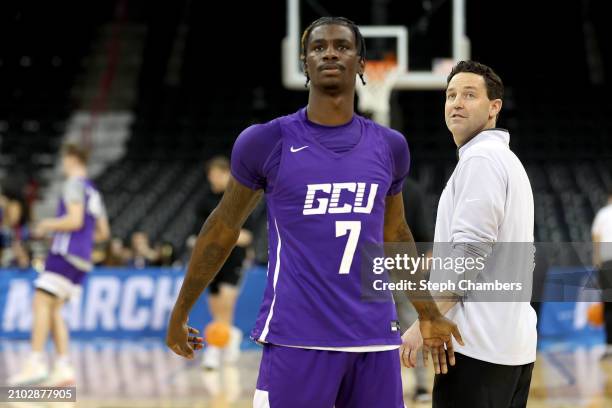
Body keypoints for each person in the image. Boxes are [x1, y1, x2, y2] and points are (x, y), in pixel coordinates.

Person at [166, 16, 462, 407]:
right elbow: (223, 226)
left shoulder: (390, 147)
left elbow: (396, 235)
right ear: (304, 62)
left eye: (342, 46)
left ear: (361, 63)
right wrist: (182, 309)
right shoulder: (266, 141)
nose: (330, 54)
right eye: (318, 47)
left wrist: (427, 312)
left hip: (374, 341)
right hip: (296, 339)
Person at [400, 61, 537, 408]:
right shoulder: (505, 160)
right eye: (451, 95)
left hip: (477, 349)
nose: (457, 103)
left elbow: (468, 256)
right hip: (510, 348)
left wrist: (424, 320)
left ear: (494, 107)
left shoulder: (482, 161)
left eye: (469, 95)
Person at [8, 144, 110, 386]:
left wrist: (47, 225)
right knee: (54, 310)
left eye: (65, 159)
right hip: (83, 259)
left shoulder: (73, 184)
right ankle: (64, 367)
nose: (63, 165)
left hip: (65, 255)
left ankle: (35, 362)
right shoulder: (93, 191)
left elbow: (74, 221)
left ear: (73, 158)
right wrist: (80, 240)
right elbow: (103, 232)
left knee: (40, 301)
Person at [196, 156, 253, 369]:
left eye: (221, 173)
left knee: (226, 304)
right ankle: (231, 335)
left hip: (234, 258)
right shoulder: (204, 201)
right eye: (213, 173)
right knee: (215, 304)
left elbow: (246, 236)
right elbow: (201, 232)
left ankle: (214, 349)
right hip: (211, 259)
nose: (217, 178)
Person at [398, 177, 433, 402]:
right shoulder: (412, 188)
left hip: (399, 268)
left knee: (413, 328)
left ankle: (421, 385)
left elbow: (425, 240)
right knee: (411, 327)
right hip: (377, 268)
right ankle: (419, 387)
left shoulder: (410, 190)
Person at [592, 189, 612, 358]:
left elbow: (596, 237)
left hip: (607, 264)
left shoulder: (603, 213)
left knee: (608, 305)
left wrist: (596, 259)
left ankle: (609, 346)